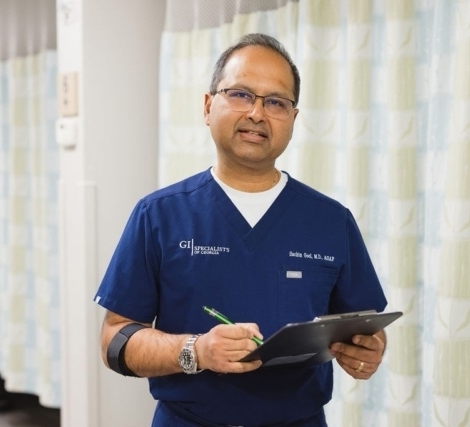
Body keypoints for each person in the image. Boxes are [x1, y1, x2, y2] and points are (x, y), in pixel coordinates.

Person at [95, 33, 388, 427]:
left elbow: (363, 326)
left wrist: (367, 350)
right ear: (207, 105)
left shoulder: (331, 221)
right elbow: (114, 341)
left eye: (276, 102)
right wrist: (196, 351)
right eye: (241, 95)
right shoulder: (159, 214)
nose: (257, 114)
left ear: (293, 119)